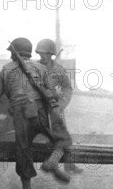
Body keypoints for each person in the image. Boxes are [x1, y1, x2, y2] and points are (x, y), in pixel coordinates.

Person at [0, 37, 72, 189]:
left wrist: (11, 99)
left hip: (20, 116)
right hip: (39, 113)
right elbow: (51, 94)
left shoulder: (5, 70)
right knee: (62, 137)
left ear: (14, 53)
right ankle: (53, 160)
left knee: (23, 149)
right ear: (29, 52)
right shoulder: (41, 68)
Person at [35, 39, 82, 173]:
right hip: (38, 108)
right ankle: (60, 162)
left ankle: (67, 164)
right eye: (40, 53)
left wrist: (61, 104)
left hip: (54, 108)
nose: (42, 56)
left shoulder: (58, 70)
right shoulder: (33, 67)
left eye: (45, 53)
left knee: (63, 136)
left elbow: (67, 88)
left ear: (51, 54)